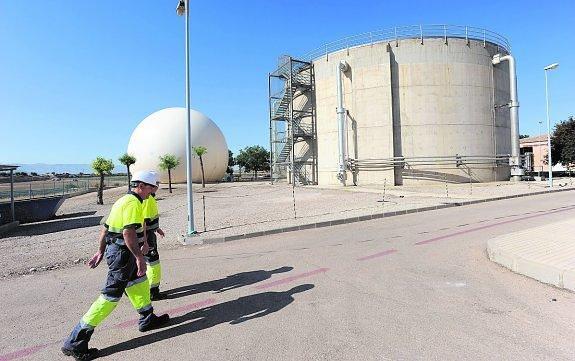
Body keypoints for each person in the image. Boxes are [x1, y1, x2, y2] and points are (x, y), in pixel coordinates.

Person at [61, 170, 170, 360]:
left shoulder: (123, 201)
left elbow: (105, 228)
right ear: (141, 186)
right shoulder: (133, 203)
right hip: (123, 255)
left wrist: (100, 251)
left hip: (118, 252)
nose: (153, 191)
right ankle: (75, 342)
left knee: (139, 283)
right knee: (110, 297)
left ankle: (147, 317)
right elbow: (128, 233)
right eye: (152, 188)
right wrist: (139, 257)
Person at [142, 179, 166, 300]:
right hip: (147, 236)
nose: (157, 186)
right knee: (153, 263)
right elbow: (144, 222)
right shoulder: (147, 199)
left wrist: (157, 229)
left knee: (150, 263)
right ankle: (152, 291)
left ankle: (151, 289)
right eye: (155, 184)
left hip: (149, 234)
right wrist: (145, 242)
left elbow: (150, 220)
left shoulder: (150, 198)